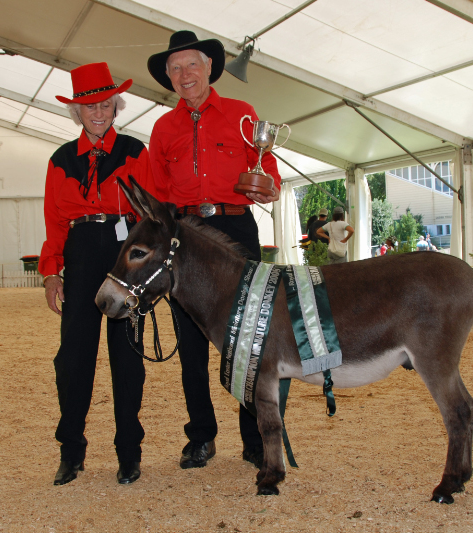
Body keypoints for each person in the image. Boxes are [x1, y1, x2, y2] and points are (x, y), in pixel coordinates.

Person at [147, 31, 281, 470]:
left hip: (235, 226)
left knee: (248, 339)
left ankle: (256, 437)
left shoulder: (243, 116)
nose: (184, 75)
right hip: (186, 233)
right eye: (175, 68)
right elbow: (155, 191)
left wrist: (266, 188)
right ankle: (201, 436)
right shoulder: (163, 128)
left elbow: (271, 174)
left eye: (191, 65)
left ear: (208, 67)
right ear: (168, 76)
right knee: (191, 342)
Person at [39, 63, 158, 486]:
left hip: (123, 255)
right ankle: (71, 451)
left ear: (115, 106)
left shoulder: (134, 151)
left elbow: (149, 213)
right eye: (90, 105)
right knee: (73, 359)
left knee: (127, 358)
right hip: (81, 254)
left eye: (106, 104)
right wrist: (52, 273)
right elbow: (54, 222)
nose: (99, 112)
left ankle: (129, 452)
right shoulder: (60, 160)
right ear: (77, 110)